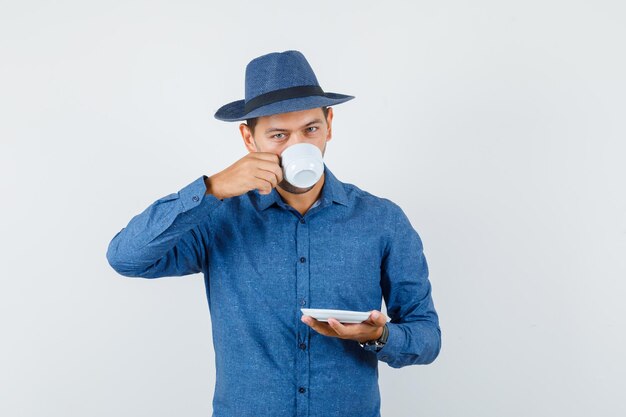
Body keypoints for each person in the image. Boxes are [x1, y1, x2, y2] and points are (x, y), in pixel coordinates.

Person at [106, 50, 441, 417]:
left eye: (310, 129)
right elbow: (126, 258)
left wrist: (377, 336)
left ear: (330, 123)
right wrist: (211, 188)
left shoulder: (382, 220)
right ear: (249, 140)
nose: (298, 147)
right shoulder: (219, 218)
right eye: (279, 134)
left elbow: (426, 338)